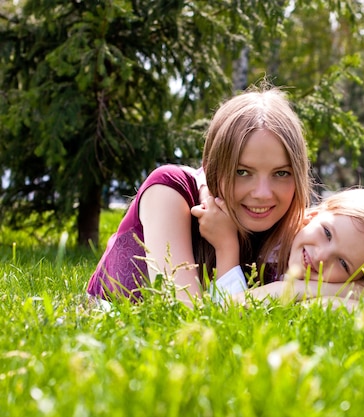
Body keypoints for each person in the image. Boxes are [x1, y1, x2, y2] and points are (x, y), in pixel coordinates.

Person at [87, 86, 312, 307]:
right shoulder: (170, 192)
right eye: (242, 172)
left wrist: (294, 289)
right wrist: (227, 247)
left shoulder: (302, 237)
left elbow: (344, 300)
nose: (263, 194)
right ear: (211, 167)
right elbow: (183, 314)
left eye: (282, 173)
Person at [192, 187, 364, 306]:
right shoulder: (265, 223)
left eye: (343, 263)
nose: (321, 256)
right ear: (314, 215)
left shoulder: (322, 291)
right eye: (327, 233)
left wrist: (298, 289)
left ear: (358, 280)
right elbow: (226, 309)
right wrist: (227, 248)